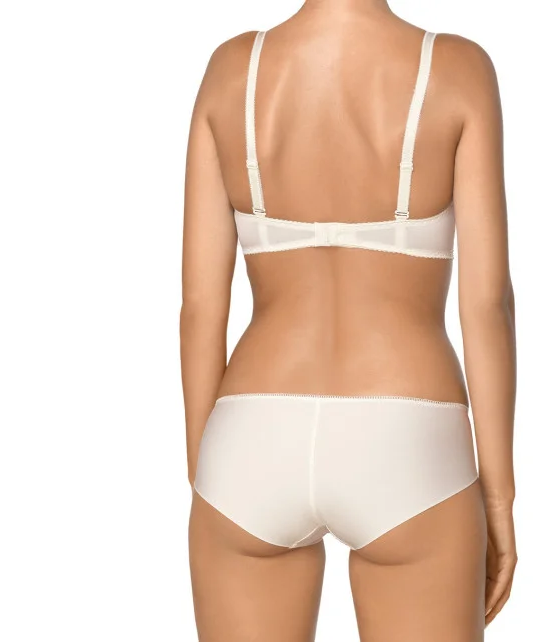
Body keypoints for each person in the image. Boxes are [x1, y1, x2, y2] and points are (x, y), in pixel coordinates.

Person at [180, 0, 517, 639]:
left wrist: (207, 474)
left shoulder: (231, 70)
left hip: (251, 432)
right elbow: (486, 305)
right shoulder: (456, 68)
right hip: (407, 434)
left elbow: (200, 308)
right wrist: (499, 497)